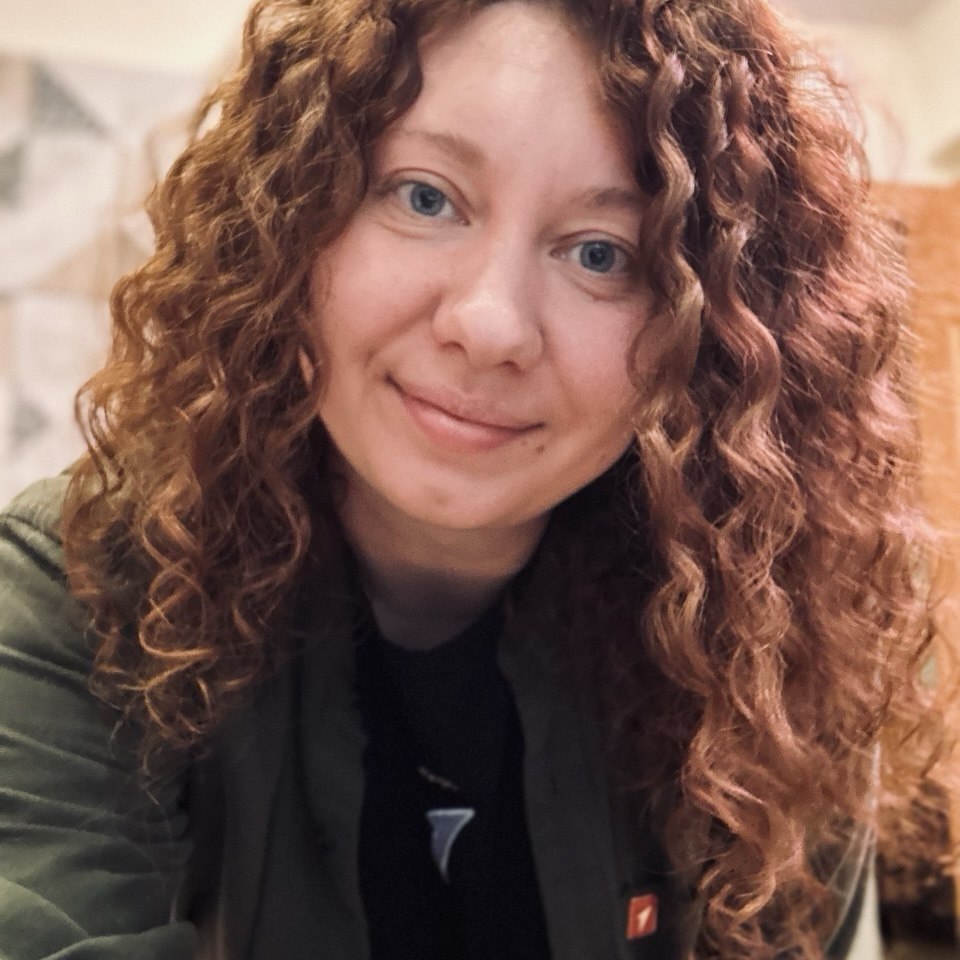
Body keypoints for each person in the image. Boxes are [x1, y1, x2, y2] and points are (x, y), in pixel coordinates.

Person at [0, 0, 949, 957]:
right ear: (289, 221)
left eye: (602, 254)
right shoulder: (73, 592)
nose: (491, 325)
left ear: (713, 344)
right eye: (425, 198)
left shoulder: (767, 647)